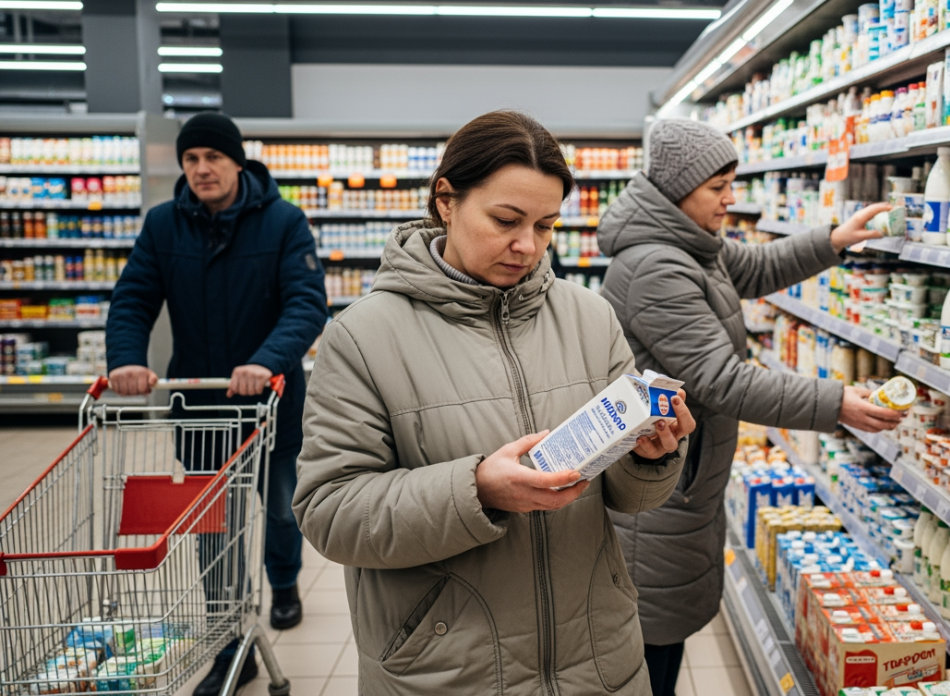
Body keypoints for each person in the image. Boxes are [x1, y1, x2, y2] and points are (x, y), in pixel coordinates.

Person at [293, 110, 697, 695]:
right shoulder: (362, 337)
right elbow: (330, 513)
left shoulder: (590, 317)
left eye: (546, 225)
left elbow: (629, 498)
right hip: (449, 670)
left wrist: (653, 457)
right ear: (446, 201)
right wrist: (475, 489)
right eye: (505, 219)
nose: (526, 246)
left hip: (598, 657)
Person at [597, 118, 905, 696]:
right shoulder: (655, 267)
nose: (731, 198)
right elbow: (719, 379)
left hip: (685, 479)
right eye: (719, 186)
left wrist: (837, 238)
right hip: (661, 487)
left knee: (662, 638)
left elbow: (757, 269)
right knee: (649, 653)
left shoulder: (690, 245)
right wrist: (836, 402)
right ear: (676, 188)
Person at [106, 112, 328, 695]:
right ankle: (233, 644)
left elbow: (306, 305)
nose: (202, 169)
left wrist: (266, 359)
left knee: (281, 509)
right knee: (214, 529)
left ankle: (283, 582)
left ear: (236, 162)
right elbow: (132, 297)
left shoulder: (283, 221)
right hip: (200, 406)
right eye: (191, 159)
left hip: (272, 403)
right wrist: (125, 358)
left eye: (213, 158)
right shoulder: (163, 225)